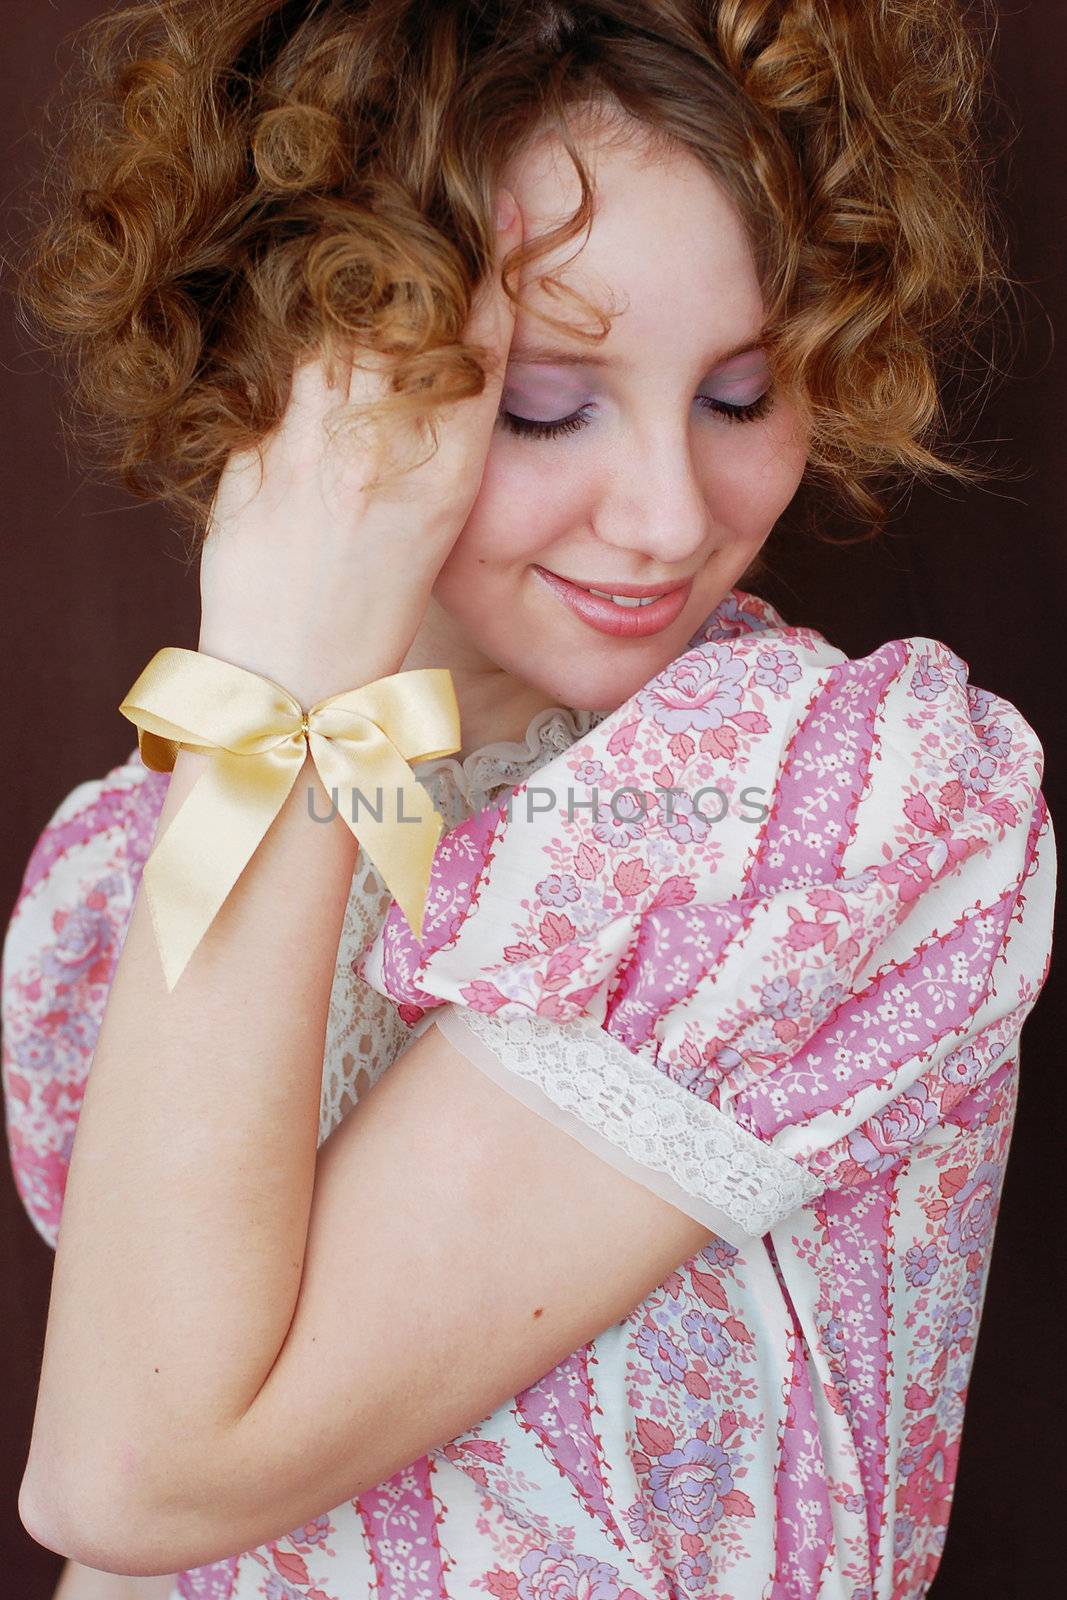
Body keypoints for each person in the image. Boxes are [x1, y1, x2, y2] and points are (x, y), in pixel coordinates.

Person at [2, 3, 1055, 1598]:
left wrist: (282, 694)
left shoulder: (835, 812)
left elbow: (133, 1475)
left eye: (741, 392)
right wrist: (282, 695)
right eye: (549, 404)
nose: (667, 517)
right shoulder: (126, 869)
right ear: (314, 387)